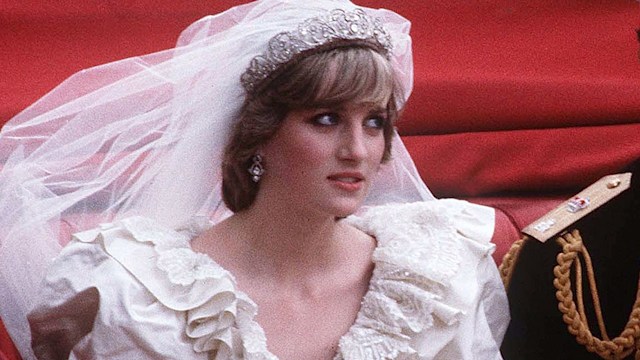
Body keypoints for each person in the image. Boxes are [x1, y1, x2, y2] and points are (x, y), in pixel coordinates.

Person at [0, 0, 509, 358]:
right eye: (326, 119)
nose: (358, 150)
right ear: (259, 135)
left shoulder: (437, 275)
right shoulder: (132, 292)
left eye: (374, 122)